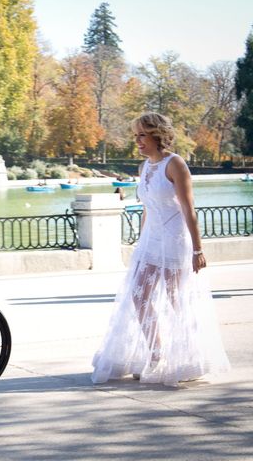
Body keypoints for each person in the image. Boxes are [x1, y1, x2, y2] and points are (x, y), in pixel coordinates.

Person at [91, 112, 230, 387]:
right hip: (151, 242)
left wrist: (197, 250)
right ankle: (156, 354)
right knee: (139, 295)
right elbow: (146, 209)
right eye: (136, 135)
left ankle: (188, 358)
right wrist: (141, 243)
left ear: (157, 135)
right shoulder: (144, 168)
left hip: (176, 241)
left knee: (176, 300)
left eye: (142, 135)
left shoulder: (175, 164)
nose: (138, 141)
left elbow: (189, 210)